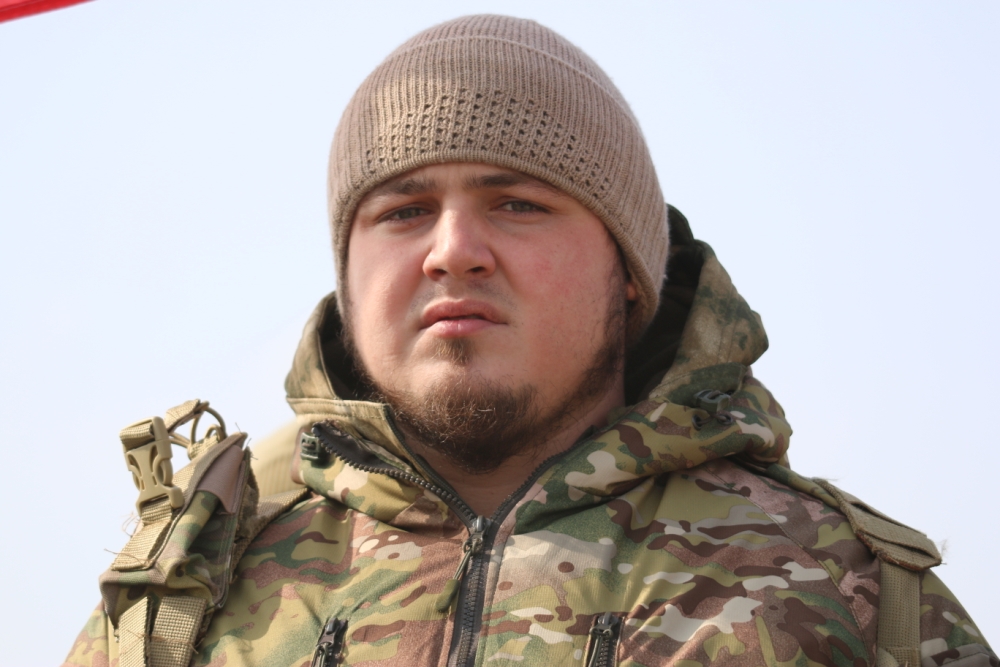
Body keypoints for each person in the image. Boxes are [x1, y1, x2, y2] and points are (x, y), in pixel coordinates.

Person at [64, 14, 995, 667]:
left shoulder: (851, 593)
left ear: (628, 269)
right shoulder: (185, 597)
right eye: (403, 210)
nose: (452, 250)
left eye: (517, 203)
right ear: (347, 275)